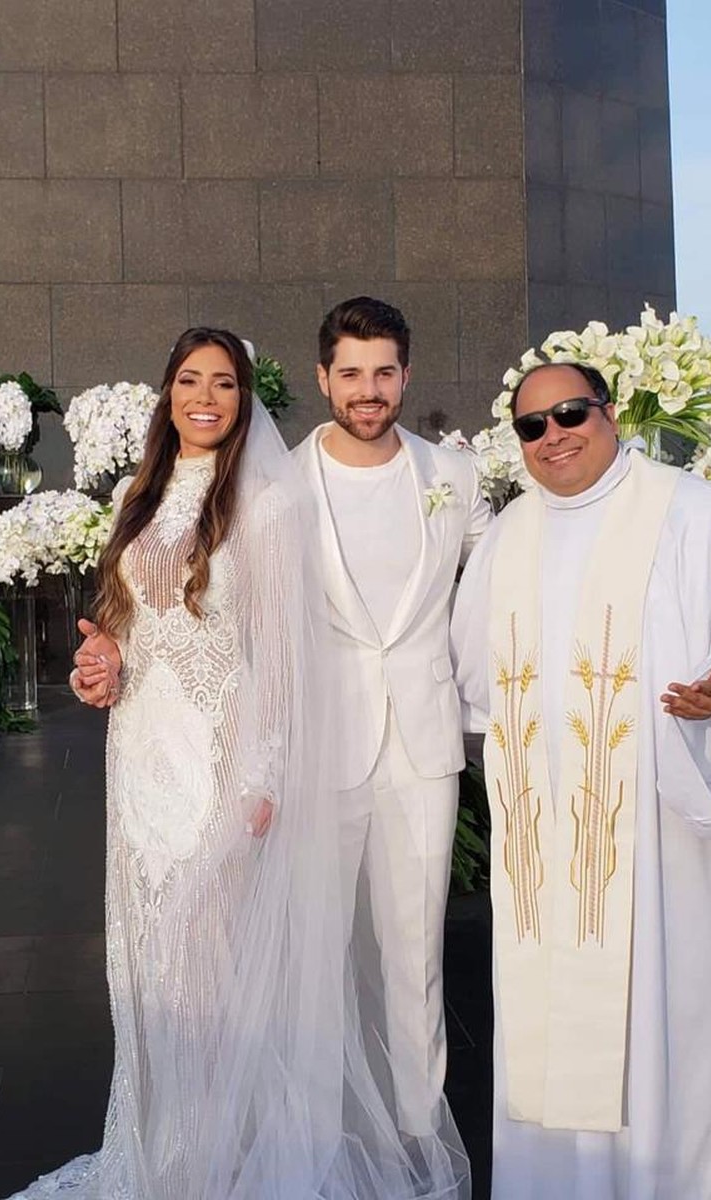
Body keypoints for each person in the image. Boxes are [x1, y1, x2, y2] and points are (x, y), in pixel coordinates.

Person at [19, 328, 466, 1199]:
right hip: (142, 754)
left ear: (246, 398)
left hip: (223, 764)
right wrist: (101, 663)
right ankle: (167, 1154)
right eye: (190, 380)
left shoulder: (266, 503)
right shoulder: (137, 494)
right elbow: (129, 625)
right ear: (168, 391)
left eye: (224, 383)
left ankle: (225, 1160)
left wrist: (264, 779)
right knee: (150, 962)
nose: (205, 398)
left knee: (213, 966)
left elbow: (284, 657)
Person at [450, 358, 711, 1199]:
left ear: (609, 413)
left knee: (656, 1016)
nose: (552, 436)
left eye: (570, 413)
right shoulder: (510, 533)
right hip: (547, 836)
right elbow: (471, 673)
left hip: (657, 824)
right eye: (531, 426)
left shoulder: (690, 512)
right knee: (547, 1010)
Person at [295, 296, 491, 1138]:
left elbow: (501, 591)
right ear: (322, 379)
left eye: (383, 372)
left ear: (406, 375)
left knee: (416, 946)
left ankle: (417, 1124)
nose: (367, 390)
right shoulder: (278, 484)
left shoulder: (454, 477)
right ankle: (319, 1124)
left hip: (423, 740)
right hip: (318, 746)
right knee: (317, 947)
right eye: (351, 373)